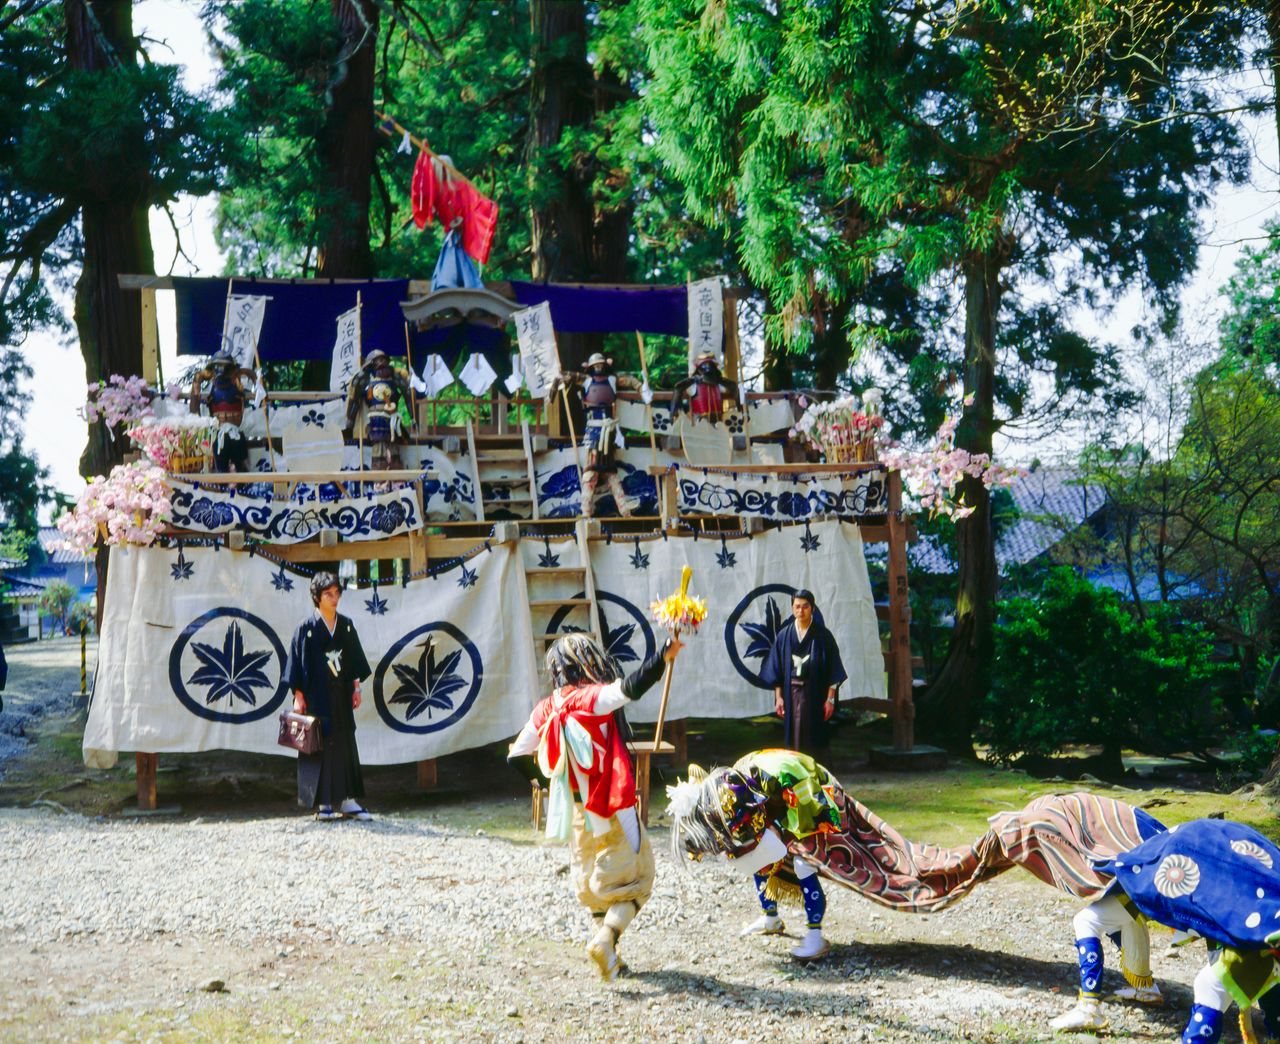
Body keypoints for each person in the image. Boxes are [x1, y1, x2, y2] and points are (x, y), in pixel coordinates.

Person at [507, 631, 683, 981]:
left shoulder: (545, 708)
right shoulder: (589, 699)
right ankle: (606, 940)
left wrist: (549, 783)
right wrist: (663, 654)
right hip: (610, 806)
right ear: (586, 662)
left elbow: (516, 756)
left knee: (594, 887)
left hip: (575, 812)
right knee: (638, 877)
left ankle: (612, 959)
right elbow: (630, 687)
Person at [285, 572, 373, 822]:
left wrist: (356, 688)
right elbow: (297, 664)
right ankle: (322, 802)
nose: (334, 599)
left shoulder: (345, 625)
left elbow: (354, 660)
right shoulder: (306, 629)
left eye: (337, 593)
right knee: (318, 744)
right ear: (317, 597)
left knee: (345, 741)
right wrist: (298, 695)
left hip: (341, 692)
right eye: (328, 594)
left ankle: (348, 799)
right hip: (316, 695)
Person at [760, 590, 847, 753]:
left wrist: (830, 699)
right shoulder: (784, 635)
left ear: (812, 608)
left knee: (815, 738)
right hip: (790, 693)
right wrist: (778, 697)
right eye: (797, 607)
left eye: (805, 607)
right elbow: (776, 669)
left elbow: (833, 668)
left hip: (815, 693)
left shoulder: (823, 636)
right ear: (792, 609)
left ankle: (815, 774)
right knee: (792, 739)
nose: (801, 611)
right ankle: (795, 773)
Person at [558, 353, 642, 518]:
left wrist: (640, 386)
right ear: (590, 367)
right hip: (594, 431)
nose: (598, 367)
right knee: (590, 471)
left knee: (611, 471)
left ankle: (624, 509)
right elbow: (569, 376)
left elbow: (630, 380)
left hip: (609, 431)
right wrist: (557, 381)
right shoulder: (587, 381)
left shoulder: (612, 380)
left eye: (600, 365)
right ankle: (586, 511)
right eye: (595, 365)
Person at [345, 349, 414, 471]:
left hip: (392, 419)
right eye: (377, 360)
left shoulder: (395, 378)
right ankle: (380, 480)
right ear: (372, 364)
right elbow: (354, 401)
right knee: (378, 449)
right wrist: (349, 425)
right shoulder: (366, 380)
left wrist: (413, 418)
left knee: (394, 449)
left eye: (383, 359)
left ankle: (396, 479)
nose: (381, 362)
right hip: (376, 420)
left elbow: (408, 395)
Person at [189, 352, 255, 471]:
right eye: (217, 365)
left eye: (224, 365)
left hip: (236, 430)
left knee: (239, 463)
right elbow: (194, 404)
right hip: (218, 432)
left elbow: (253, 376)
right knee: (220, 463)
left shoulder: (237, 382)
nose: (220, 369)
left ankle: (240, 484)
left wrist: (260, 388)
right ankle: (222, 484)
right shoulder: (208, 383)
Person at [671, 351, 739, 424]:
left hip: (717, 420)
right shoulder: (693, 385)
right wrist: (673, 413)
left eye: (710, 365)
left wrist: (741, 408)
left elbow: (733, 387)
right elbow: (678, 388)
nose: (708, 368)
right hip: (699, 421)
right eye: (705, 365)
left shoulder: (719, 384)